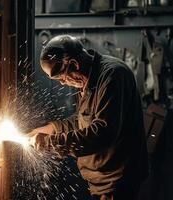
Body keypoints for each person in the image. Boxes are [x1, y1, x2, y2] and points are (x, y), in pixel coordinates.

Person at [28, 35, 148, 200]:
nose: (63, 83)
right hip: (101, 181)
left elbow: (102, 133)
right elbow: (82, 120)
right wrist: (50, 129)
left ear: (74, 64)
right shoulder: (86, 79)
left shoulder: (112, 76)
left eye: (62, 78)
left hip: (116, 180)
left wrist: (50, 142)